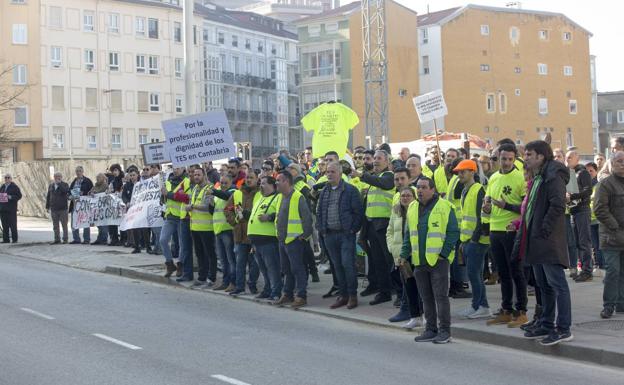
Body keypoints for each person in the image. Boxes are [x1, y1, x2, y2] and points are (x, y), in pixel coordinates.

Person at [522, 140, 573, 346]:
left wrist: (544, 228)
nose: (525, 158)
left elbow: (557, 205)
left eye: (529, 154)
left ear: (541, 156)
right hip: (537, 239)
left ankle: (563, 328)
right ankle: (546, 323)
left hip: (548, 239)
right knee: (543, 284)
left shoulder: (553, 176)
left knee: (557, 284)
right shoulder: (540, 175)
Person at [401, 177, 460, 344]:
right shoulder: (412, 206)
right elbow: (408, 234)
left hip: (438, 261)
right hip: (419, 261)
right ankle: (430, 329)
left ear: (432, 189)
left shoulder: (445, 206)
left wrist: (443, 254)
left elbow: (453, 232)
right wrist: (404, 255)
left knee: (441, 297)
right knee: (426, 297)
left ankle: (445, 331)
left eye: (424, 187)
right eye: (418, 187)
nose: (420, 190)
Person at [484, 143, 528, 328]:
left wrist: (506, 206)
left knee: (516, 271)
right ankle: (506, 309)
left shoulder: (520, 178)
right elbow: (487, 203)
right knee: (502, 272)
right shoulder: (493, 177)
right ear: (498, 158)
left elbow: (526, 208)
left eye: (510, 159)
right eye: (503, 159)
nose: (507, 162)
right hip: (495, 229)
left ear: (515, 158)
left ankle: (521, 311)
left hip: (512, 230)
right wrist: (486, 209)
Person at [317, 162, 364, 310]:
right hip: (329, 235)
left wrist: (352, 230)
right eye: (327, 172)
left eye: (332, 172)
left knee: (347, 265)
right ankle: (342, 295)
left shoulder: (350, 190)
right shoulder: (325, 190)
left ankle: (352, 295)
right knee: (337, 266)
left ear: (340, 173)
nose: (329, 174)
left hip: (345, 235)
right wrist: (322, 230)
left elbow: (358, 213)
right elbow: (319, 211)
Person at [352, 150, 395, 305]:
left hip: (384, 224)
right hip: (372, 225)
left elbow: (385, 184)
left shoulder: (389, 175)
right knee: (378, 260)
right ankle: (382, 289)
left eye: (379, 158)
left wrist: (361, 176)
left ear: (387, 161)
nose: (375, 161)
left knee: (387, 260)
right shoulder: (375, 178)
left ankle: (393, 289)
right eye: (374, 158)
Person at [454, 160, 492, 319]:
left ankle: (481, 306)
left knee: (474, 273)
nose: (459, 175)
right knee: (473, 274)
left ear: (472, 172)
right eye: (458, 172)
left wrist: (474, 239)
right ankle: (478, 305)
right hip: (469, 239)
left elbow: (480, 216)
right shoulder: (465, 190)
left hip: (477, 240)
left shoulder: (478, 190)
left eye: (463, 172)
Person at [273, 171, 314, 308]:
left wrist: (304, 236)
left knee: (297, 268)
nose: (276, 183)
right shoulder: (280, 197)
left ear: (287, 182)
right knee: (286, 269)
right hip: (282, 240)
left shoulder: (298, 197)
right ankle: (288, 294)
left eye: (279, 180)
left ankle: (301, 296)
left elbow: (307, 218)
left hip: (295, 240)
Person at [387, 186, 423, 329]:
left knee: (421, 288)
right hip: (401, 257)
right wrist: (393, 248)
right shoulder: (396, 211)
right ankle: (414, 317)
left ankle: (425, 315)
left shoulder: (419, 211)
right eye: (403, 196)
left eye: (408, 195)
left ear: (414, 197)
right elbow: (389, 231)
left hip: (415, 256)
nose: (405, 198)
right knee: (409, 287)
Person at [594, 151, 624, 318]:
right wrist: (615, 226)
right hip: (611, 236)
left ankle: (621, 303)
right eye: (619, 161)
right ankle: (608, 305)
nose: (622, 164)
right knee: (613, 271)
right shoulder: (605, 184)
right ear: (612, 164)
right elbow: (599, 209)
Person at [225, 170, 261, 295]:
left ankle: (252, 284)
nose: (249, 180)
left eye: (251, 178)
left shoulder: (261, 194)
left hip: (254, 234)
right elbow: (227, 209)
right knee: (240, 262)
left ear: (257, 179)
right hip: (239, 234)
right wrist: (233, 222)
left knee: (254, 263)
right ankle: (239, 287)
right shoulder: (237, 193)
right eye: (247, 178)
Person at [248, 175, 282, 300]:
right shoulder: (260, 198)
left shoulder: (278, 197)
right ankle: (268, 289)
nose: (260, 185)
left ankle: (276, 291)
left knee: (272, 268)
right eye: (260, 183)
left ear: (272, 185)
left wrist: (269, 217)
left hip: (268, 239)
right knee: (263, 269)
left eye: (263, 183)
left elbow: (280, 213)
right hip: (256, 240)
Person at [565, 150, 594, 282]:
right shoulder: (570, 174)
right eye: (566, 157)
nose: (567, 159)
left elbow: (588, 191)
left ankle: (587, 270)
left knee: (584, 242)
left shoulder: (582, 173)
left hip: (582, 210)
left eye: (570, 157)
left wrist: (572, 196)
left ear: (577, 159)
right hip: (573, 211)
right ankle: (583, 269)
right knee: (577, 242)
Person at [186, 168, 217, 288]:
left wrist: (192, 206)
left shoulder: (209, 188)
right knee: (199, 254)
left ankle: (211, 277)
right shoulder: (194, 189)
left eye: (198, 174)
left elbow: (207, 207)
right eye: (194, 175)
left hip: (207, 227)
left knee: (210, 254)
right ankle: (201, 276)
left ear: (204, 175)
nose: (196, 177)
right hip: (195, 227)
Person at [160, 167, 188, 278]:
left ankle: (180, 265)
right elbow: (164, 199)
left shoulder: (186, 181)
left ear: (183, 168)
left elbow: (186, 198)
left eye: (178, 168)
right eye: (174, 168)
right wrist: (162, 196)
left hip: (181, 216)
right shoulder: (167, 181)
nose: (175, 170)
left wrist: (168, 194)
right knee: (163, 240)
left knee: (182, 243)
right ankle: (169, 264)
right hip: (170, 216)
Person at [211, 174, 237, 291]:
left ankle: (233, 282)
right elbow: (213, 211)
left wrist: (213, 192)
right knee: (223, 260)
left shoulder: (233, 190)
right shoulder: (217, 193)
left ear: (231, 182)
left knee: (231, 259)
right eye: (221, 183)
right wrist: (211, 204)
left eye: (226, 183)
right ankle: (225, 282)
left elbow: (227, 196)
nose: (223, 185)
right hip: (218, 230)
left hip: (227, 230)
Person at [586, 162, 604, 271]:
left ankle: (602, 265)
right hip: (589, 219)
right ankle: (598, 264)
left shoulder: (599, 185)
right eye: (587, 171)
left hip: (598, 219)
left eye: (591, 171)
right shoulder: (584, 186)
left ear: (596, 172)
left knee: (600, 244)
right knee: (594, 245)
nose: (589, 173)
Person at [69, 166, 93, 244]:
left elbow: (92, 190)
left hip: (84, 205)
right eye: (77, 171)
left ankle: (86, 239)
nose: (78, 172)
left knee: (85, 221)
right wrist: (70, 196)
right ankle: (76, 239)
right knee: (74, 221)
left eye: (80, 171)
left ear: (82, 172)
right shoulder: (74, 181)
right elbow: (70, 192)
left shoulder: (87, 181)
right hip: (75, 205)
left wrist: (84, 193)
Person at [46, 172, 70, 244]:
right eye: (56, 176)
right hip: (54, 208)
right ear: (54, 177)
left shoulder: (65, 185)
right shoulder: (51, 185)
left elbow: (65, 191)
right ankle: (57, 239)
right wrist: (47, 206)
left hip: (63, 208)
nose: (58, 178)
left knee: (64, 225)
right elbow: (48, 196)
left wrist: (60, 184)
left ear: (61, 177)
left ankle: (65, 239)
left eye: (59, 176)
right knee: (55, 225)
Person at [0, 174, 22, 243]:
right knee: (4, 225)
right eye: (5, 178)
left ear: (11, 179)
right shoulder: (2, 186)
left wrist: (10, 197)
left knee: (13, 225)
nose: (6, 179)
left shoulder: (14, 187)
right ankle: (6, 239)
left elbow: (19, 196)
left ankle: (14, 239)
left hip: (11, 209)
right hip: (3, 209)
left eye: (8, 177)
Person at [89, 173, 109, 244]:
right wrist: (91, 193)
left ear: (103, 178)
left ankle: (104, 239)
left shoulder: (105, 185)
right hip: (96, 208)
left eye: (99, 178)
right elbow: (90, 192)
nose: (97, 179)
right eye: (97, 178)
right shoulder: (95, 185)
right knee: (98, 224)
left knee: (103, 224)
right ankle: (99, 238)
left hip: (103, 207)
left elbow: (103, 193)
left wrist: (96, 192)